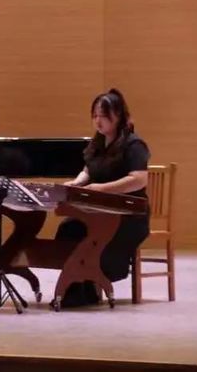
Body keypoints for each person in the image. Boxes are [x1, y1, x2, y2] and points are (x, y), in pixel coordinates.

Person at [57, 88, 151, 307]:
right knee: (69, 228)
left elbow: (138, 179)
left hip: (128, 213)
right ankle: (80, 288)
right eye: (95, 116)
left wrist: (102, 189)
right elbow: (88, 170)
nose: (98, 121)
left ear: (118, 116)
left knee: (98, 235)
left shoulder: (134, 144)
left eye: (104, 116)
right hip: (100, 209)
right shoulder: (98, 143)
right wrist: (77, 182)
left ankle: (91, 282)